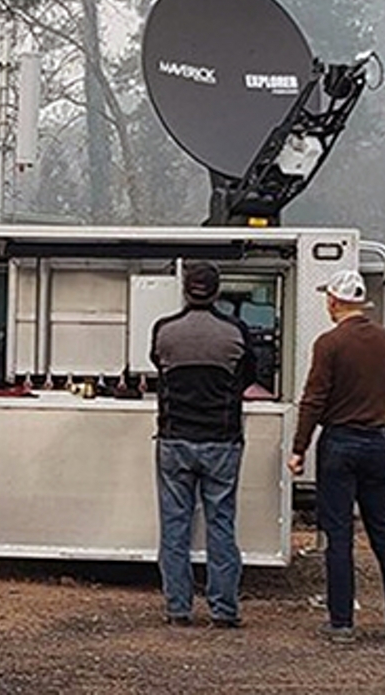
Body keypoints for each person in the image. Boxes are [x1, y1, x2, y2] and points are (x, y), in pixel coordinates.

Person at [289, 269, 385, 645]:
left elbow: (314, 400)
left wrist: (299, 448)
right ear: (360, 302)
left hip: (340, 444)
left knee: (339, 534)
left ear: (333, 301)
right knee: (384, 534)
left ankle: (342, 622)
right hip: (376, 443)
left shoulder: (329, 344)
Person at [150, 261, 256, 628]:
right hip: (222, 442)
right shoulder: (236, 332)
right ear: (216, 291)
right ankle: (224, 610)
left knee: (174, 525)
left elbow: (158, 367)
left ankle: (178, 608)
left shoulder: (164, 331)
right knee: (221, 524)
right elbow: (249, 376)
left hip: (175, 440)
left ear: (184, 289)